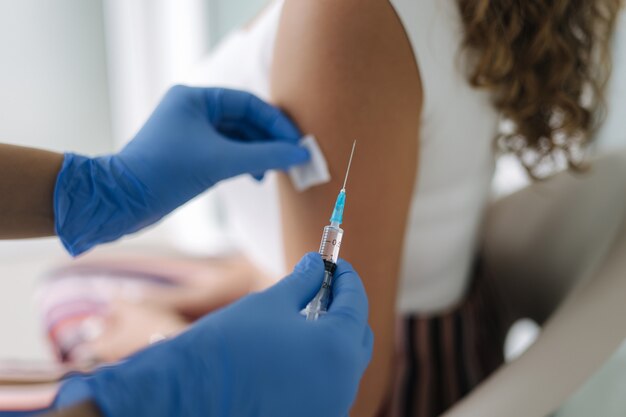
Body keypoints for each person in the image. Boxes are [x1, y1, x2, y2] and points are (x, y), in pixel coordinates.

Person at [114, 1, 620, 416]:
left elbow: (334, 389)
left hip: (378, 386)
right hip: (434, 344)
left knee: (77, 310)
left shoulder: (346, 18)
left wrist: (159, 344)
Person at [0, 85, 373, 417]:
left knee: (62, 288)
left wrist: (98, 189)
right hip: (101, 385)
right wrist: (173, 375)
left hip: (75, 376)